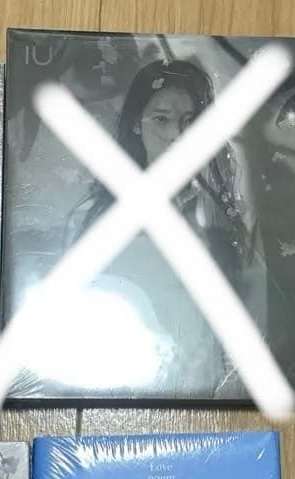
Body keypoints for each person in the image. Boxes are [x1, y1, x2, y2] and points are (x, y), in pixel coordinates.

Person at [59, 58, 257, 397]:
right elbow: (72, 328)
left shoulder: (228, 219)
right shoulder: (92, 219)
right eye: (161, 119)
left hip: (209, 395)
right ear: (137, 124)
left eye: (189, 122)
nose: (176, 135)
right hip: (121, 393)